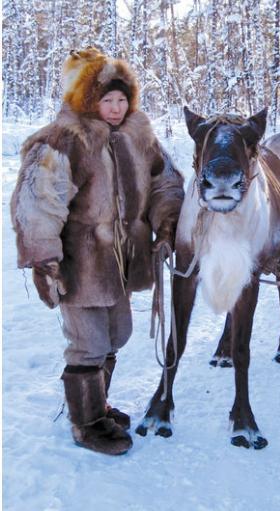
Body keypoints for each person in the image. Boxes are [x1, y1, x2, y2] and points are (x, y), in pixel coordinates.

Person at [11, 47, 185, 456]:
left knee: (116, 336)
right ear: (88, 100)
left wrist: (166, 223)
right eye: (107, 99)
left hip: (122, 263)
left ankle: (98, 404)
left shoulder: (139, 136)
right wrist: (46, 259)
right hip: (82, 263)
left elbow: (165, 183)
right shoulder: (62, 141)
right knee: (87, 343)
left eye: (122, 98)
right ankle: (86, 424)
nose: (116, 107)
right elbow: (38, 202)